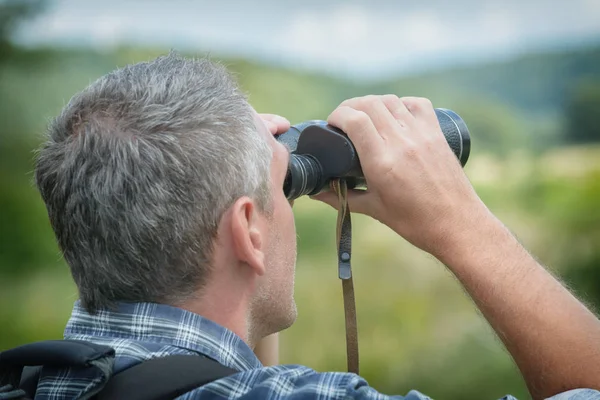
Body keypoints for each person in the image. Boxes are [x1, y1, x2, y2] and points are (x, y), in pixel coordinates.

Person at [32, 53, 600, 400]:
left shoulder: (35, 381)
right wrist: (464, 225)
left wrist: (257, 196)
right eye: (279, 193)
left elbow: (225, 368)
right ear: (249, 232)